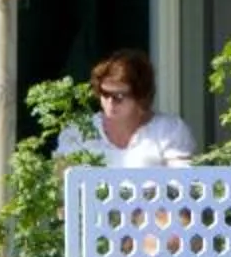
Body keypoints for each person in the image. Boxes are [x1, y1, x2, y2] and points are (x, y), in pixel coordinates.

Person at [55, 47, 195, 167]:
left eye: (119, 97)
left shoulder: (169, 131)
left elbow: (182, 186)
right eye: (104, 94)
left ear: (141, 96)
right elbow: (60, 189)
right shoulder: (77, 132)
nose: (110, 102)